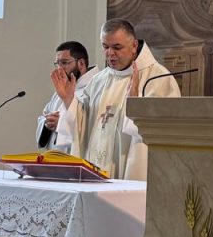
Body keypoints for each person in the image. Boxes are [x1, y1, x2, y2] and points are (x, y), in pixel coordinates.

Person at [51, 19, 179, 180]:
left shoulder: (158, 78)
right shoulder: (99, 80)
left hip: (133, 174)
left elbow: (162, 131)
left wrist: (135, 104)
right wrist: (68, 100)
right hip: (95, 172)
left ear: (134, 45)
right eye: (105, 47)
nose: (110, 53)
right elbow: (82, 123)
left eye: (117, 47)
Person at [38, 42, 94, 150]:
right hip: (53, 157)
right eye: (57, 63)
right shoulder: (60, 90)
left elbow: (90, 126)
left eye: (64, 63)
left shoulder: (94, 88)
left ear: (81, 64)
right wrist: (47, 123)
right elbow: (45, 115)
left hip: (77, 156)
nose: (59, 69)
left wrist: (62, 124)